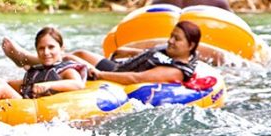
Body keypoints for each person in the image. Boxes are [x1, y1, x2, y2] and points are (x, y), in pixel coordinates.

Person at [68, 20, 201, 85]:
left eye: (176, 39)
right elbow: (151, 54)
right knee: (81, 54)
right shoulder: (172, 53)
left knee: (68, 58)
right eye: (171, 36)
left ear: (190, 45)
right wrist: (128, 52)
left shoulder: (175, 71)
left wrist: (100, 74)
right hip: (119, 68)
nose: (170, 41)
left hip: (117, 78)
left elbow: (136, 78)